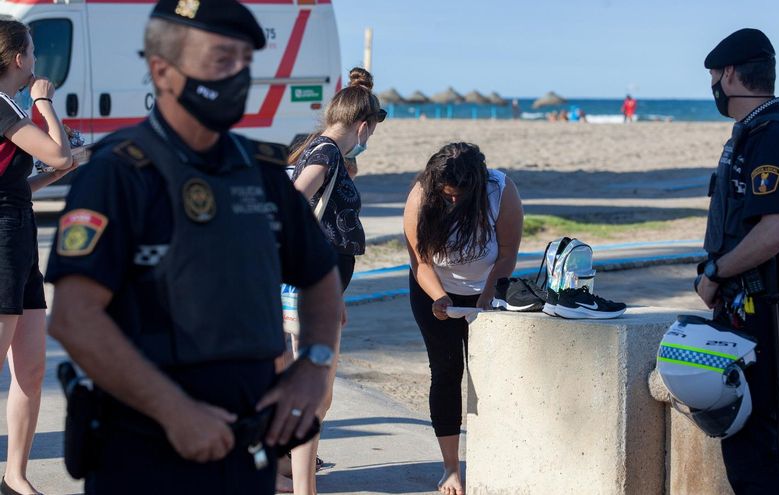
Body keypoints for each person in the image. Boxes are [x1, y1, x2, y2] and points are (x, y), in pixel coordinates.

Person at [44, 1, 342, 493]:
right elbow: (74, 318)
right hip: (145, 449)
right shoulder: (116, 174)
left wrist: (312, 366)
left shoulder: (262, 172)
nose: (239, 76)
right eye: (221, 60)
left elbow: (319, 277)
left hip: (248, 450)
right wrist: (176, 412)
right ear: (163, 69)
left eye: (245, 62)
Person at [698, 28, 779, 494]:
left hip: (765, 303)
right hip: (747, 302)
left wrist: (715, 272)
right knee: (751, 441)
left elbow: (775, 229)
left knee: (754, 447)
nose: (711, 86)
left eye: (712, 75)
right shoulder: (751, 134)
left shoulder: (774, 136)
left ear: (729, 74)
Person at [282, 66, 384, 495]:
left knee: (315, 395)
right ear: (362, 124)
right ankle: (302, 487)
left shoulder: (319, 149)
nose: (370, 138)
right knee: (313, 396)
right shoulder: (324, 153)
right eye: (372, 130)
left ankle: (287, 475)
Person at [404, 142, 523, 495]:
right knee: (445, 371)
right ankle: (451, 468)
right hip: (434, 287)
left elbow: (507, 253)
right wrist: (439, 297)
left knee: (488, 376)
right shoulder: (422, 194)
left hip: (487, 287)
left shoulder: (501, 191)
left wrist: (487, 296)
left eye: (459, 196)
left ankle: (494, 458)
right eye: (447, 195)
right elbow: (420, 261)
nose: (452, 201)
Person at [0, 18, 76, 495]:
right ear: (19, 59)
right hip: (3, 238)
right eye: (33, 51)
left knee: (30, 368)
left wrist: (52, 175)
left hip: (20, 231)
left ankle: (15, 475)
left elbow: (15, 186)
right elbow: (59, 151)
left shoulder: (8, 107)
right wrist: (44, 100)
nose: (37, 62)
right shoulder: (6, 109)